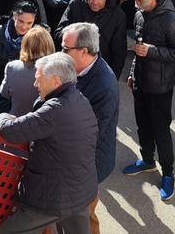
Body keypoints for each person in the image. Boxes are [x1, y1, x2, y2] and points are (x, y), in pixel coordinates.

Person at [0, 53, 97, 234]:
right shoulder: (79, 98)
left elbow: (11, 131)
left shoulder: (55, 109)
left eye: (39, 80)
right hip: (81, 190)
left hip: (53, 196)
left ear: (56, 81)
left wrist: (2, 115)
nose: (35, 85)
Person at [122, 0, 175, 201]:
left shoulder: (171, 20)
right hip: (140, 83)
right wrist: (132, 73)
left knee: (161, 131)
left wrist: (152, 51)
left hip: (160, 87)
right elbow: (138, 48)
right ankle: (148, 161)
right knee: (143, 126)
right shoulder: (140, 13)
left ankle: (168, 174)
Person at [61, 22, 120, 232]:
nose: (61, 52)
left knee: (84, 217)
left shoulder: (104, 85)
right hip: (77, 162)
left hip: (87, 166)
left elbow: (91, 134)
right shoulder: (79, 69)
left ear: (83, 51)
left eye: (65, 49)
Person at [56, 0, 127, 79]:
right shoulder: (75, 5)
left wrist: (113, 78)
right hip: (72, 68)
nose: (95, 1)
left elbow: (119, 51)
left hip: (99, 71)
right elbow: (58, 34)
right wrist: (74, 38)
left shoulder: (118, 16)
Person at [0, 0, 40, 90]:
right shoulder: (0, 31)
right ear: (14, 16)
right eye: (21, 21)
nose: (24, 27)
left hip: (24, 88)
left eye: (29, 23)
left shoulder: (37, 39)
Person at [0, 26, 55, 117]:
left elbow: (4, 93)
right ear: (50, 45)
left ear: (24, 45)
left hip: (16, 122)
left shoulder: (12, 67)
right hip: (44, 125)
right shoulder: (58, 72)